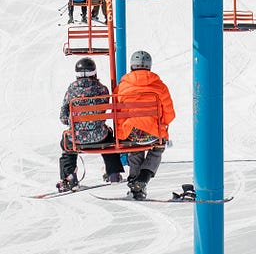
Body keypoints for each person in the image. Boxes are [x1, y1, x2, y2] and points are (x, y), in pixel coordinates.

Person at [114, 49, 176, 200]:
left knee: (135, 149)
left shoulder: (122, 86)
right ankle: (143, 177)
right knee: (158, 148)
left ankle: (135, 186)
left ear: (132, 66)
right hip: (152, 133)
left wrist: (122, 131)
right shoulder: (160, 86)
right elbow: (169, 114)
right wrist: (162, 124)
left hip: (131, 133)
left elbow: (118, 113)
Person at [56, 57, 125, 191]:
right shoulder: (102, 89)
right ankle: (113, 173)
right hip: (99, 136)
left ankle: (69, 177)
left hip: (77, 138)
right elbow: (106, 108)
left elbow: (63, 117)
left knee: (66, 144)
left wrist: (72, 122)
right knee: (109, 138)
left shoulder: (71, 91)